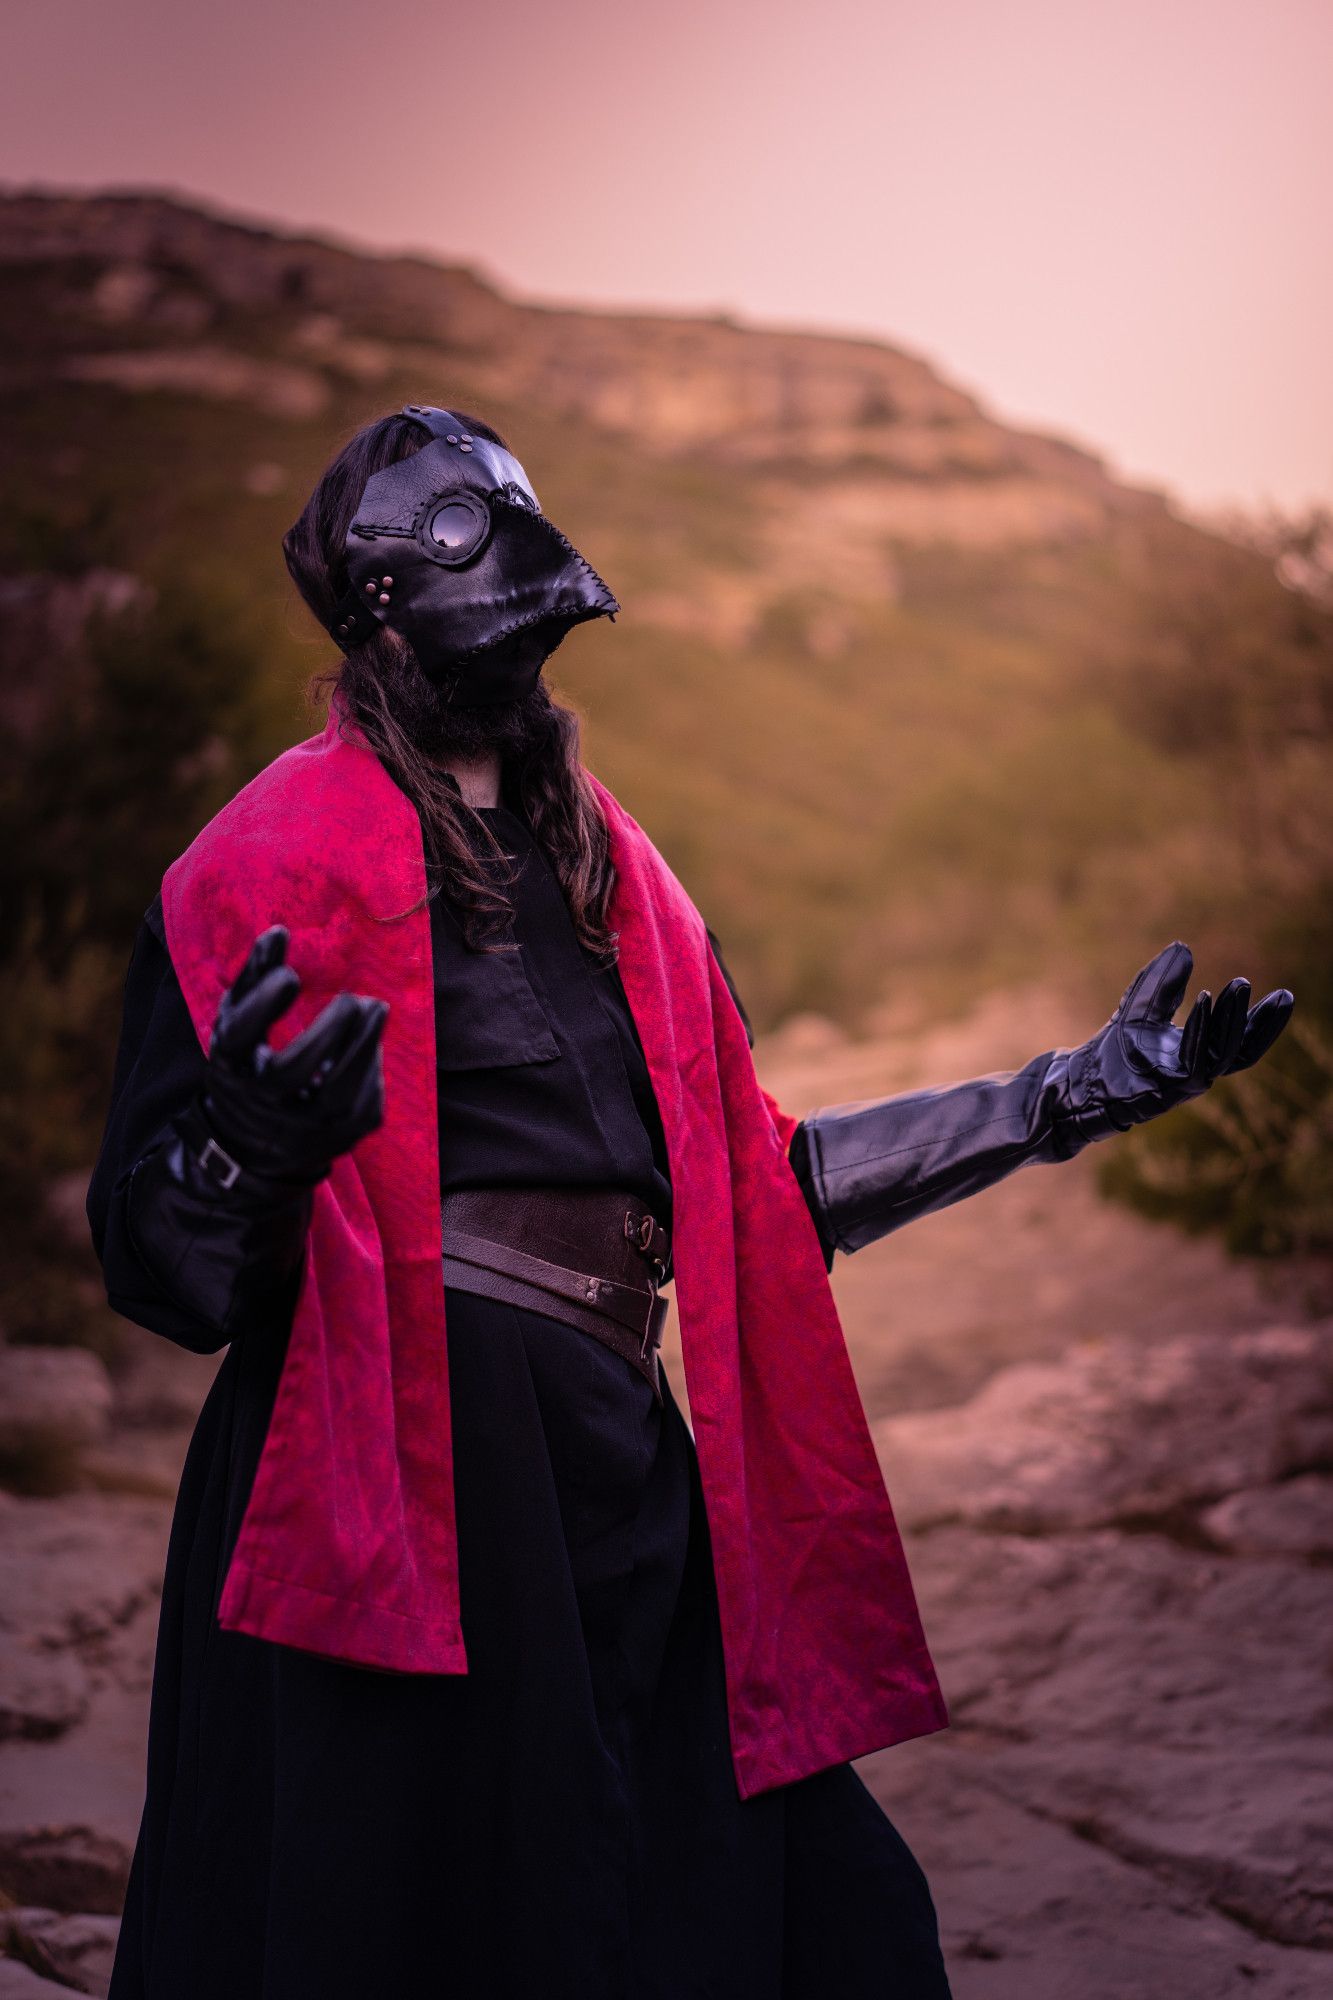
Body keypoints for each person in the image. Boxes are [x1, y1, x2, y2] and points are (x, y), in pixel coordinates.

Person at [87, 405, 1294, 2000]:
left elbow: (754, 1191)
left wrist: (1061, 1098)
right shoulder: (262, 859)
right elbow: (162, 1268)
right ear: (383, 610)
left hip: (614, 1454)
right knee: (421, 1928)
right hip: (412, 1470)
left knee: (798, 1909)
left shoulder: (615, 874)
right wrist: (247, 1143)